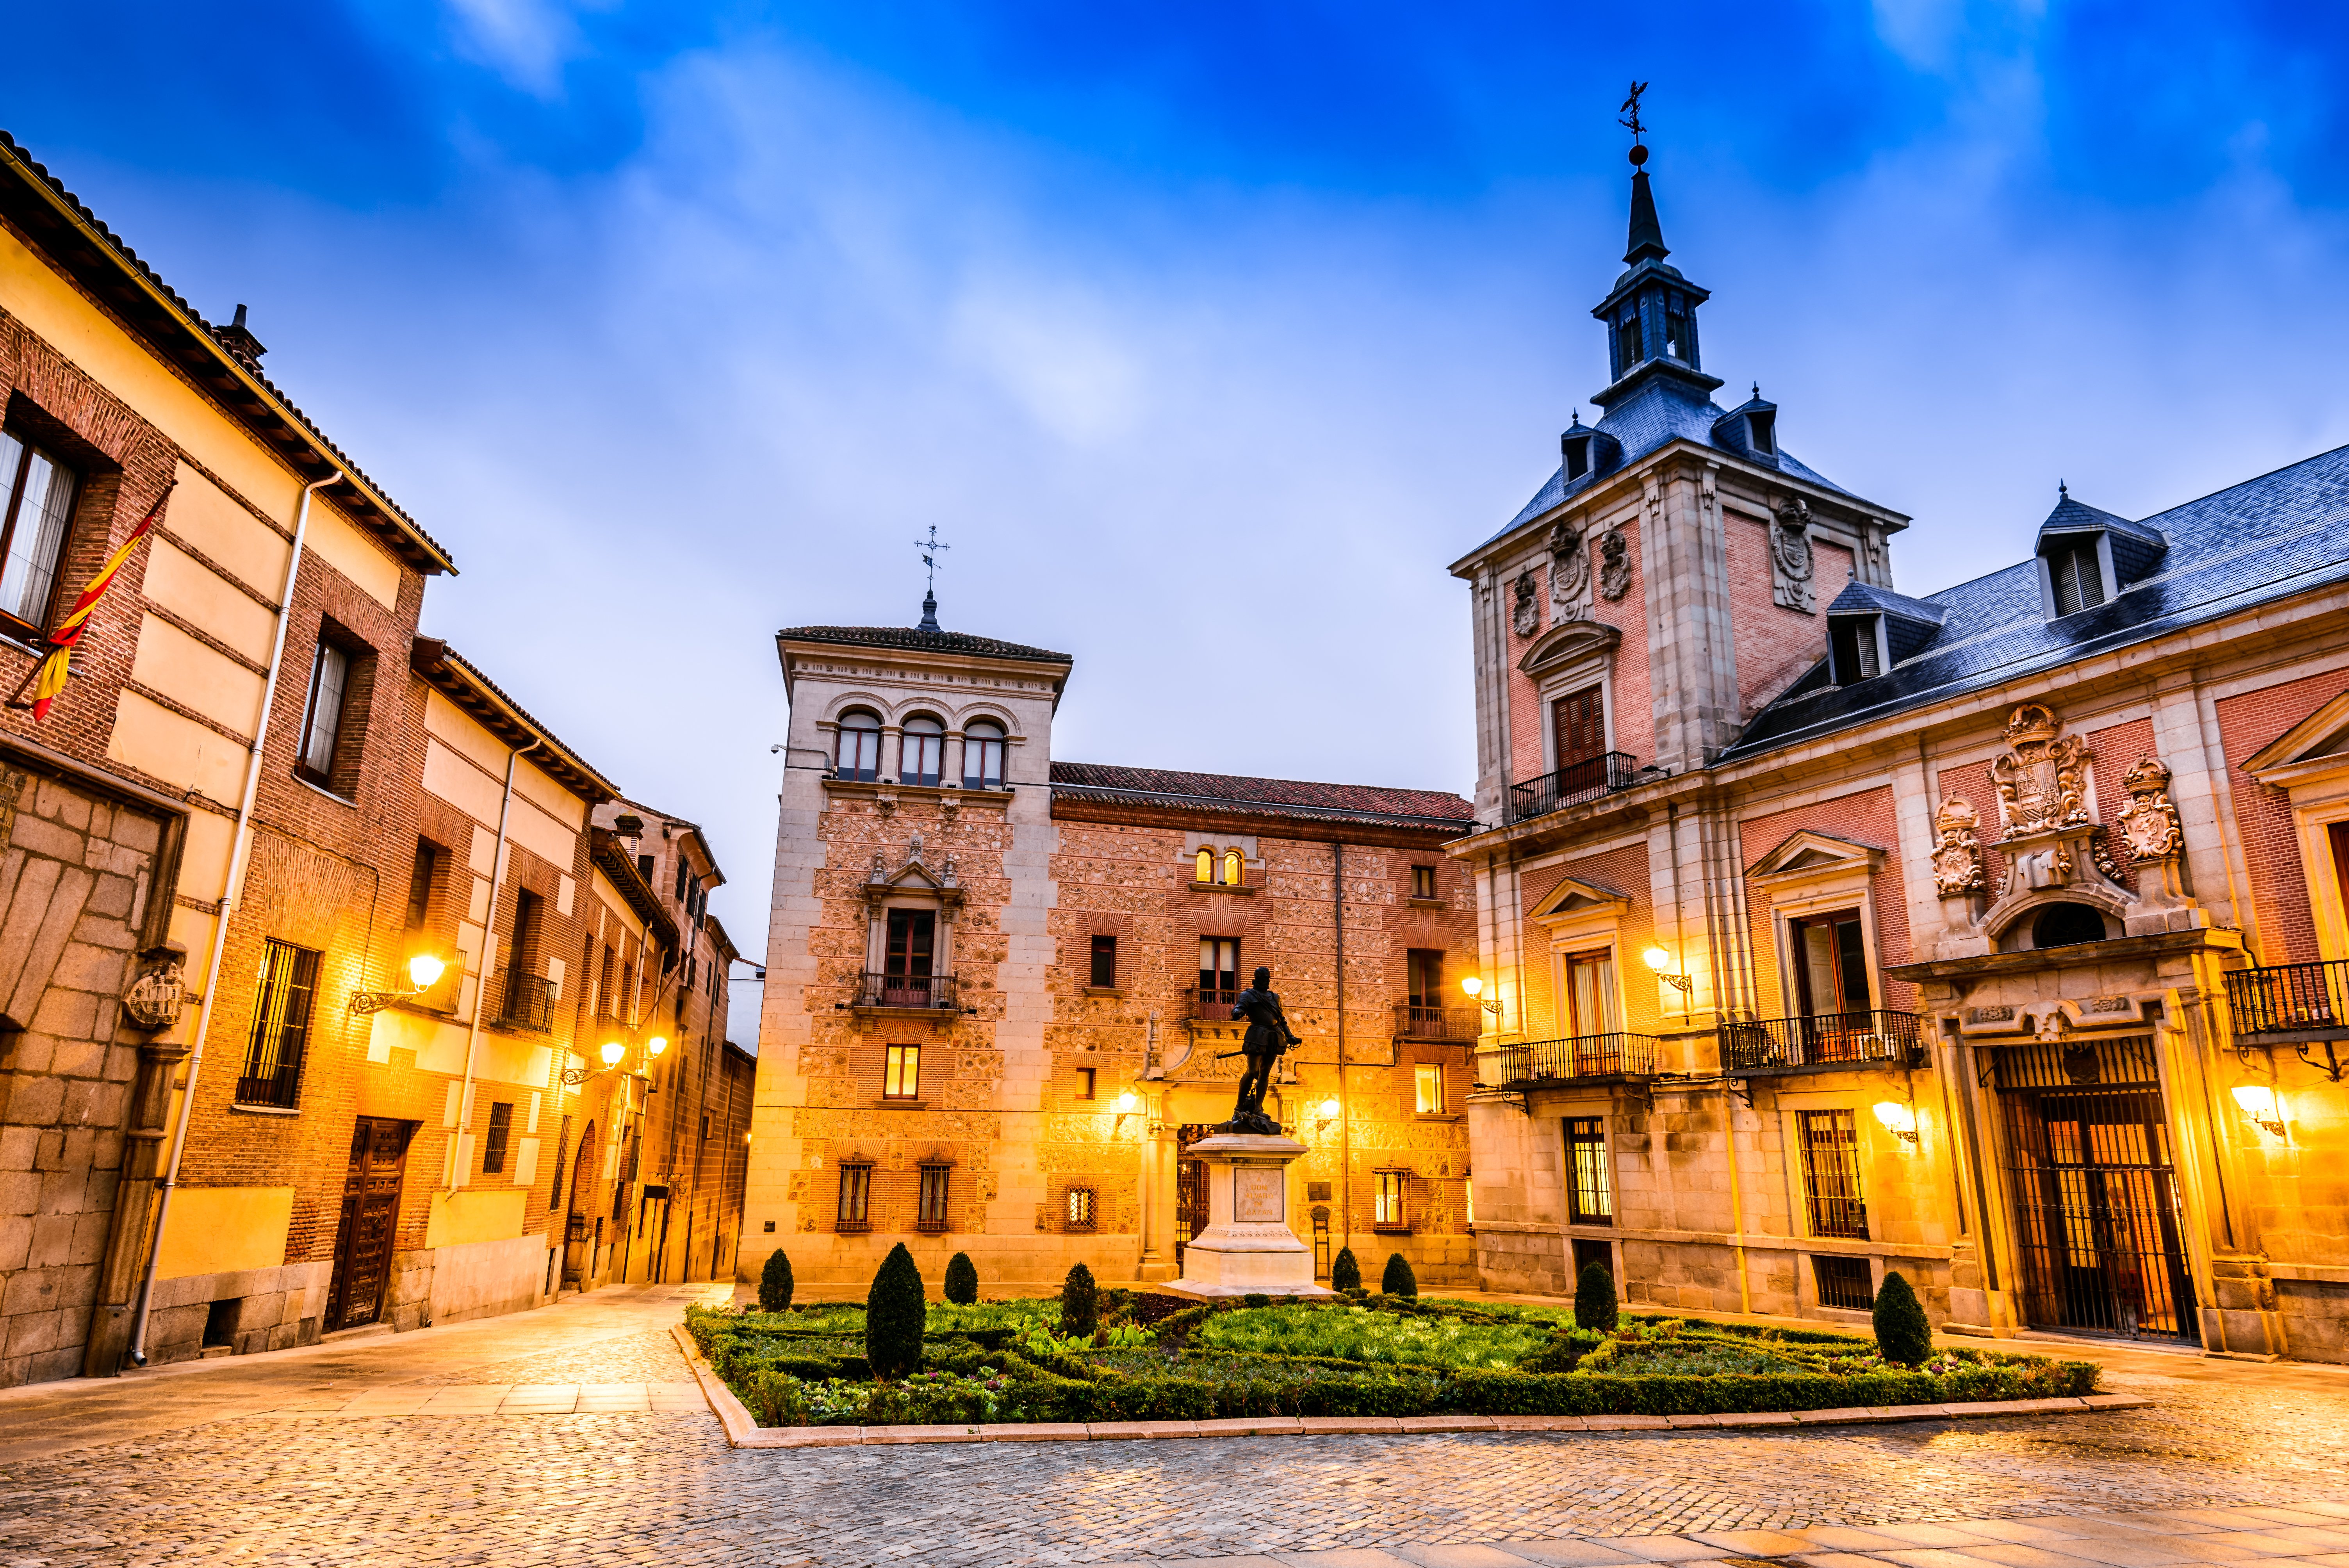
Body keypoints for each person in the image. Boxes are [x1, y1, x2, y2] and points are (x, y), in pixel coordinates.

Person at [1223, 965, 1302, 1134]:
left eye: (1268, 978)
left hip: (1274, 1036)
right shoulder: (1249, 995)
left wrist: (1290, 1036)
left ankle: (1258, 1108)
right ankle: (1239, 1107)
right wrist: (1237, 1011)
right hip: (1257, 1034)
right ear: (1257, 979)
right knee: (1252, 1072)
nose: (1267, 981)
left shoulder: (1275, 997)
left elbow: (1281, 1020)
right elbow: (1240, 1007)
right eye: (1264, 978)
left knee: (1265, 1073)